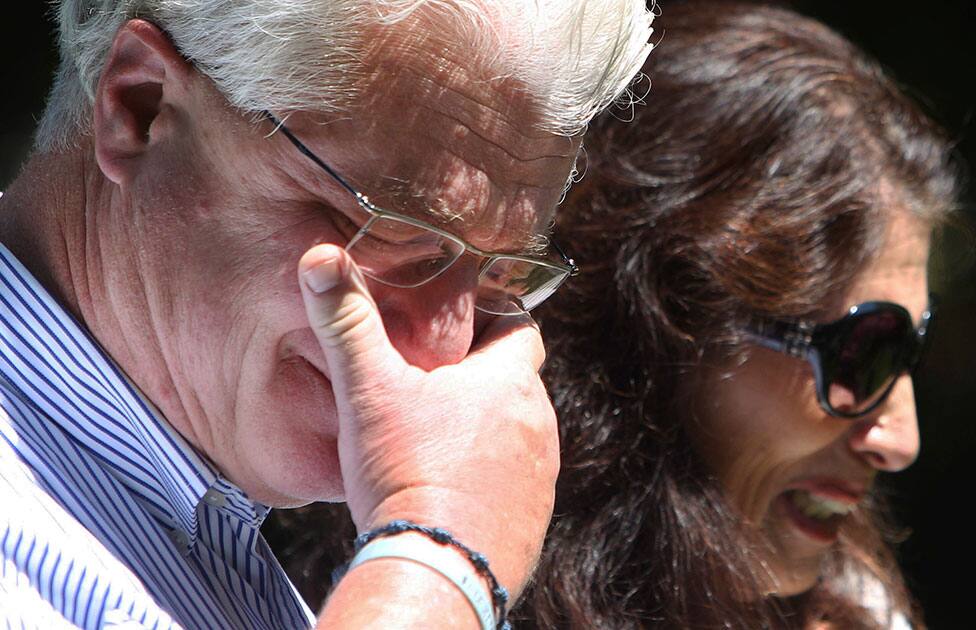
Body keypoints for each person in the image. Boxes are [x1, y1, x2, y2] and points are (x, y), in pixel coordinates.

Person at [0, 1, 654, 628]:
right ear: (139, 107)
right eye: (386, 234)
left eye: (499, 274)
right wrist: (437, 555)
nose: (439, 349)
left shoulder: (206, 521)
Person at [518, 2, 957, 628]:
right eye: (863, 353)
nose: (900, 441)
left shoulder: (858, 608)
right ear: (669, 322)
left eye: (907, 352)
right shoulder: (405, 579)